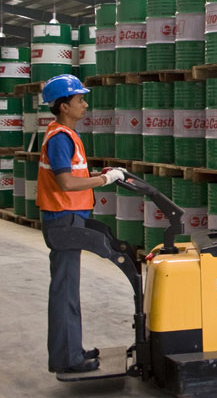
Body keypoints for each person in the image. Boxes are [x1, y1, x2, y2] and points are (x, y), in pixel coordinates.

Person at [36, 74, 125, 374]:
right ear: (64, 106)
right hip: (63, 221)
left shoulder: (63, 133)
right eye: (79, 100)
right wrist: (104, 180)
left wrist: (103, 173)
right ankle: (67, 358)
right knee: (64, 292)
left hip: (68, 218)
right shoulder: (60, 137)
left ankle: (72, 348)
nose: (85, 105)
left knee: (68, 290)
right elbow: (66, 183)